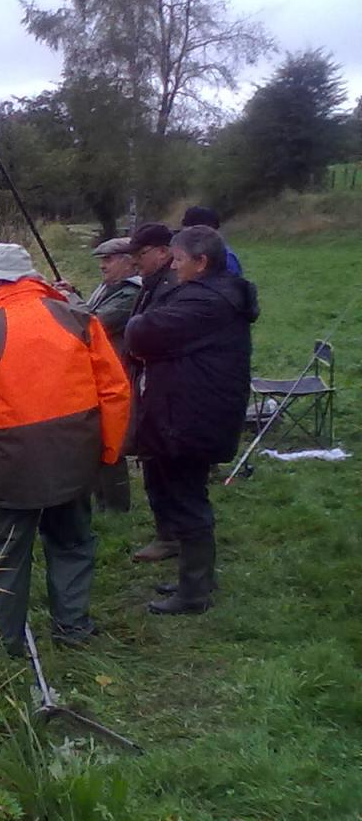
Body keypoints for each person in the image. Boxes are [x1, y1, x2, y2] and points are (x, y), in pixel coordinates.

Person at [0, 244, 130, 651]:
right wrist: (107, 452)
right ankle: (72, 629)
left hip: (11, 462)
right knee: (73, 543)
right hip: (75, 454)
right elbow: (115, 391)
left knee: (7, 551)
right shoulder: (80, 319)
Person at [124, 226, 259, 614]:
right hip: (192, 409)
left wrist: (138, 327)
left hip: (192, 415)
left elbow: (144, 331)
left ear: (201, 263)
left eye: (179, 260)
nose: (175, 267)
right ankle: (197, 577)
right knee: (188, 493)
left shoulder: (206, 302)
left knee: (187, 500)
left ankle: (194, 593)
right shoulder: (211, 294)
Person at [61, 236, 141, 511]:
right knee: (98, 437)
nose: (102, 266)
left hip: (118, 373)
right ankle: (104, 503)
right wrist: (75, 294)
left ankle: (117, 507)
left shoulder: (131, 293)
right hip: (101, 372)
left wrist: (69, 299)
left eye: (108, 260)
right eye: (101, 260)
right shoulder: (111, 288)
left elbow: (95, 324)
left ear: (129, 262)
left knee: (114, 439)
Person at [125, 222, 181, 561]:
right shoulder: (153, 283)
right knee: (151, 456)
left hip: (164, 385)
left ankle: (173, 536)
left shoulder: (171, 286)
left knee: (163, 460)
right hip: (149, 380)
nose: (136, 262)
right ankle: (169, 533)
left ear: (164, 251)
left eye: (141, 254)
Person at [181, 205, 242, 276]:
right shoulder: (189, 253)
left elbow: (232, 284)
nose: (185, 235)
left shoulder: (226, 258)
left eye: (189, 231)